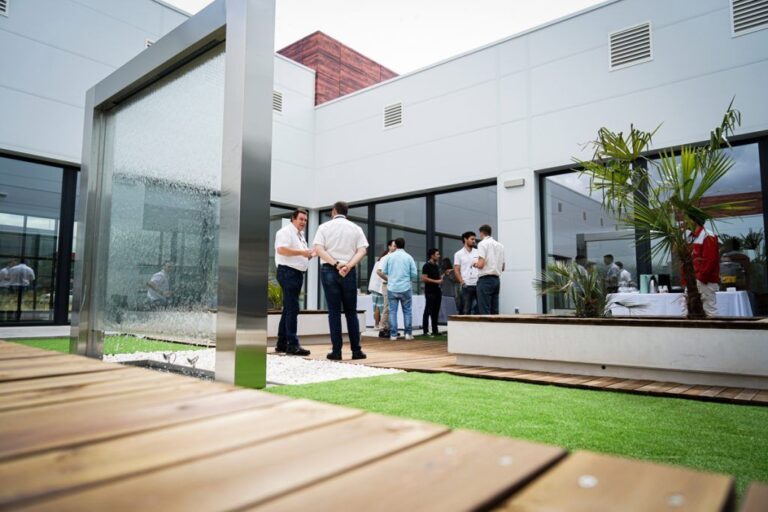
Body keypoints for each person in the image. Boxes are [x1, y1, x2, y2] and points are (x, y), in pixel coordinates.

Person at [314, 201, 369, 360]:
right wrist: (348, 266)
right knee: (351, 312)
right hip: (349, 271)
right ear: (346, 212)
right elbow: (362, 250)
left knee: (334, 312)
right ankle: (356, 351)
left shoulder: (324, 227)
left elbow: (318, 249)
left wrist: (336, 264)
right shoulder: (356, 228)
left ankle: (336, 351)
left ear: (333, 211)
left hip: (330, 269)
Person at [274, 208, 314, 356]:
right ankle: (293, 344)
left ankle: (281, 344)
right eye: (301, 219)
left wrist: (308, 255)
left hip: (296, 273)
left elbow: (299, 253)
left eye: (305, 220)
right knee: (293, 308)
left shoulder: (301, 235)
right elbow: (281, 250)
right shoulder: (285, 232)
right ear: (293, 219)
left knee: (288, 309)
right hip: (288, 272)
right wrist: (302, 253)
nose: (303, 222)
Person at [381, 237, 417, 341]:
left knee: (392, 311)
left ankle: (393, 335)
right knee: (407, 311)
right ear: (404, 245)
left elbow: (384, 271)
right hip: (405, 287)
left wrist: (392, 277)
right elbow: (414, 274)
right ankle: (408, 334)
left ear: (395, 245)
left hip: (392, 287)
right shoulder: (409, 257)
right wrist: (407, 279)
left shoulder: (389, 257)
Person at [684, 214, 720, 317]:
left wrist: (700, 279)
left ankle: (715, 333)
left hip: (704, 281)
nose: (685, 222)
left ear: (694, 221)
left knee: (709, 311)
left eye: (687, 219)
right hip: (695, 280)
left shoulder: (708, 236)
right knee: (691, 311)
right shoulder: (690, 236)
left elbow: (710, 260)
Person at [473, 224, 505, 314]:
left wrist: (475, 264)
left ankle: (485, 328)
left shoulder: (482, 244)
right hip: (496, 280)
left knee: (484, 309)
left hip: (485, 280)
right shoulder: (500, 246)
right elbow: (503, 267)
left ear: (482, 233)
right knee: (494, 309)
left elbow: (481, 264)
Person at [369, 241, 396, 337]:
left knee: (379, 306)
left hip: (377, 284)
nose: (395, 247)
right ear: (389, 247)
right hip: (379, 285)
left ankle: (378, 325)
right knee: (382, 307)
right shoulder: (385, 259)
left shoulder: (382, 258)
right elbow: (379, 273)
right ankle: (381, 326)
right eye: (393, 245)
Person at [453, 231, 479, 314]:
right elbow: (456, 270)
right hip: (466, 285)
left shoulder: (478, 252)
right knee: (466, 309)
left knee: (480, 309)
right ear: (465, 239)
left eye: (475, 239)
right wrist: (462, 282)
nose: (474, 241)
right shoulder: (458, 254)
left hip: (478, 284)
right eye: (472, 239)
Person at [421, 248, 442, 336]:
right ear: (432, 255)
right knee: (428, 311)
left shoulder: (436, 266)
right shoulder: (426, 266)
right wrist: (436, 281)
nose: (439, 256)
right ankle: (425, 331)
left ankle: (435, 330)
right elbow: (424, 278)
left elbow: (438, 278)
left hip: (437, 291)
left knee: (436, 311)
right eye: (437, 254)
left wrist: (443, 276)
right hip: (430, 291)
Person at [439, 257, 458, 321]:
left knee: (445, 310)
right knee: (450, 310)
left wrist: (450, 272)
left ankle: (445, 321)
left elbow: (455, 280)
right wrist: (445, 274)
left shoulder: (452, 272)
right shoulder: (441, 272)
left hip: (447, 293)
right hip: (448, 294)